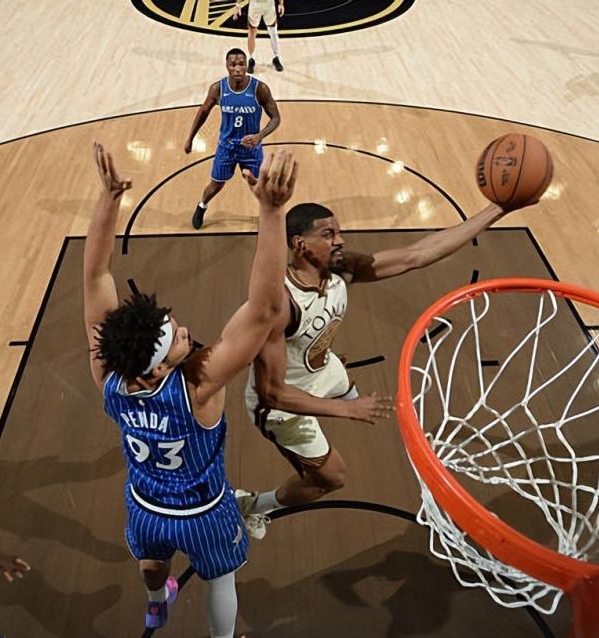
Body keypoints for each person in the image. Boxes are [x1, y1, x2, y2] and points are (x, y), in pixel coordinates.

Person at [83, 142, 297, 636]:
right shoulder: (199, 384)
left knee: (152, 562)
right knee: (221, 580)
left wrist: (109, 198)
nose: (182, 330)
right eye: (174, 338)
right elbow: (265, 311)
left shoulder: (109, 374)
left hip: (145, 504)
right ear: (159, 369)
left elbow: (95, 278)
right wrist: (271, 212)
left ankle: (156, 604)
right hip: (203, 511)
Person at [237, 198, 539, 538]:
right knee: (332, 478)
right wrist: (347, 410)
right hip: (281, 407)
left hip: (322, 370)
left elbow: (416, 255)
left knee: (346, 384)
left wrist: (498, 210)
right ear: (299, 244)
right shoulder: (281, 304)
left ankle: (347, 395)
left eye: (339, 232)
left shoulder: (341, 269)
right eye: (328, 234)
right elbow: (272, 392)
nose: (340, 240)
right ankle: (251, 505)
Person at [185, 48, 281, 230]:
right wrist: (190, 138)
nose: (237, 68)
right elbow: (203, 111)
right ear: (226, 66)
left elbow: (276, 118)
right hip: (227, 147)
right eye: (233, 64)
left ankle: (268, 214)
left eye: (241, 64)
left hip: (251, 149)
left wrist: (259, 136)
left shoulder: (259, 89)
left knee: (259, 185)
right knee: (216, 184)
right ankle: (202, 205)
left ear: (246, 66)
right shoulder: (218, 88)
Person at [232, 0, 285, 74]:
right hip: (255, 4)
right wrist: (238, 5)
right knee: (252, 32)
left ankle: (276, 57)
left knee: (273, 32)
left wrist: (281, 3)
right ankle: (251, 59)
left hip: (269, 4)